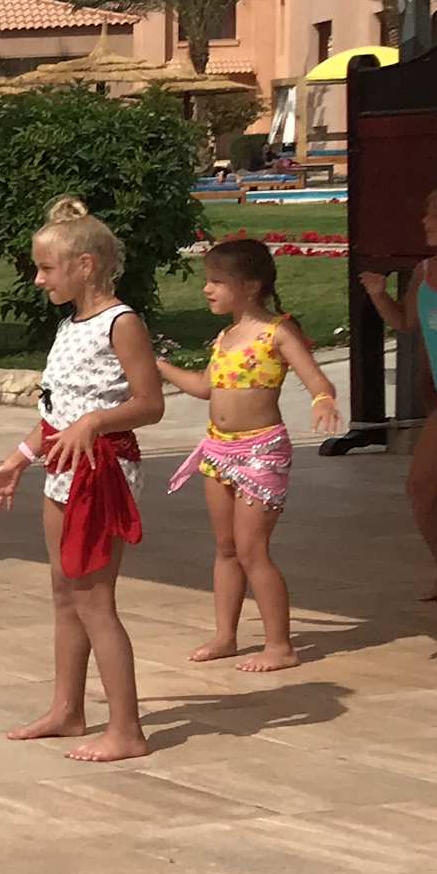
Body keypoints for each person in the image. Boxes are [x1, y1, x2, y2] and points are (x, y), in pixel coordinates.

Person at [0, 197, 166, 762]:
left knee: (94, 599)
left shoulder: (122, 323)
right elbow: (57, 412)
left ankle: (127, 730)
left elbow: (150, 403)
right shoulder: (68, 325)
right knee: (65, 594)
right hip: (62, 469)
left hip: (101, 471)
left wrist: (97, 422)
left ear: (85, 265)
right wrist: (18, 459)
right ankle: (68, 709)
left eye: (46, 268)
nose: (38, 279)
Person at [158, 238, 342, 671]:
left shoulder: (277, 332)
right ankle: (225, 636)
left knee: (252, 550)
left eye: (218, 281)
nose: (207, 289)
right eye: (208, 280)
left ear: (252, 286)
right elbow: (204, 387)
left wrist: (323, 400)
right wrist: (159, 366)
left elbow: (318, 380)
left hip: (261, 452)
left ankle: (280, 646)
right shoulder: (225, 337)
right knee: (225, 548)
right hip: (217, 448)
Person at [360, 186, 437, 603]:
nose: (425, 221)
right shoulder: (423, 272)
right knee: (421, 489)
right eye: (427, 213)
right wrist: (378, 295)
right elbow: (408, 324)